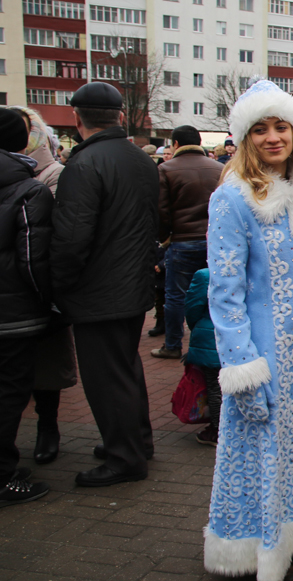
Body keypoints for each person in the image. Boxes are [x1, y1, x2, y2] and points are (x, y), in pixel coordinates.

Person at [203, 80, 293, 581]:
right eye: (259, 129)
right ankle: (264, 548)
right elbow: (225, 292)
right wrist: (241, 363)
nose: (272, 137)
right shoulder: (232, 199)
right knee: (266, 451)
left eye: (280, 126)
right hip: (267, 352)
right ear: (244, 138)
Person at [50, 82, 159, 486]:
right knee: (125, 368)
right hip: (131, 284)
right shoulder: (140, 159)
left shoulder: (84, 164)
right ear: (118, 116)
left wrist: (58, 285)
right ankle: (135, 441)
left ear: (77, 118)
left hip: (99, 288)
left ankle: (124, 456)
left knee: (106, 376)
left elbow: (72, 237)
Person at [10, 106, 78, 464]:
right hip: (21, 291)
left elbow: (53, 239)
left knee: (45, 367)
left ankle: (47, 427)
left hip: (41, 290)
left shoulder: (52, 176)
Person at [0, 108, 54, 506]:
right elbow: (33, 257)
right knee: (9, 392)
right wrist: (47, 300)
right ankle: (3, 477)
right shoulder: (27, 189)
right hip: (13, 314)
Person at [152, 125, 225, 359]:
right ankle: (215, 343)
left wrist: (164, 238)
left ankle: (172, 345)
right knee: (216, 292)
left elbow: (161, 211)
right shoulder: (219, 168)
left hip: (181, 240)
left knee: (175, 296)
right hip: (215, 240)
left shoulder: (166, 169)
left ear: (175, 144)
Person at [183, 267, 221, 446]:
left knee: (214, 386)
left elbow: (192, 308)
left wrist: (197, 328)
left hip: (210, 338)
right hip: (242, 337)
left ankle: (217, 429)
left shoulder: (205, 275)